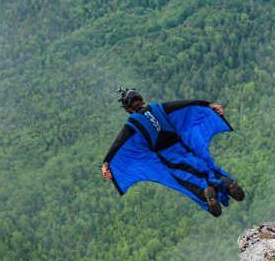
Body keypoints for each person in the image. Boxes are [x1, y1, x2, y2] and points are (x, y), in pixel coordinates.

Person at [102, 88, 245, 217]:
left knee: (184, 180)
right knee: (201, 165)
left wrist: (107, 163)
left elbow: (119, 144)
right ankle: (223, 181)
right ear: (142, 100)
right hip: (181, 146)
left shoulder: (132, 124)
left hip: (166, 156)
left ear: (128, 109)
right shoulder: (157, 108)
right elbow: (185, 105)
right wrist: (208, 105)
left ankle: (204, 193)